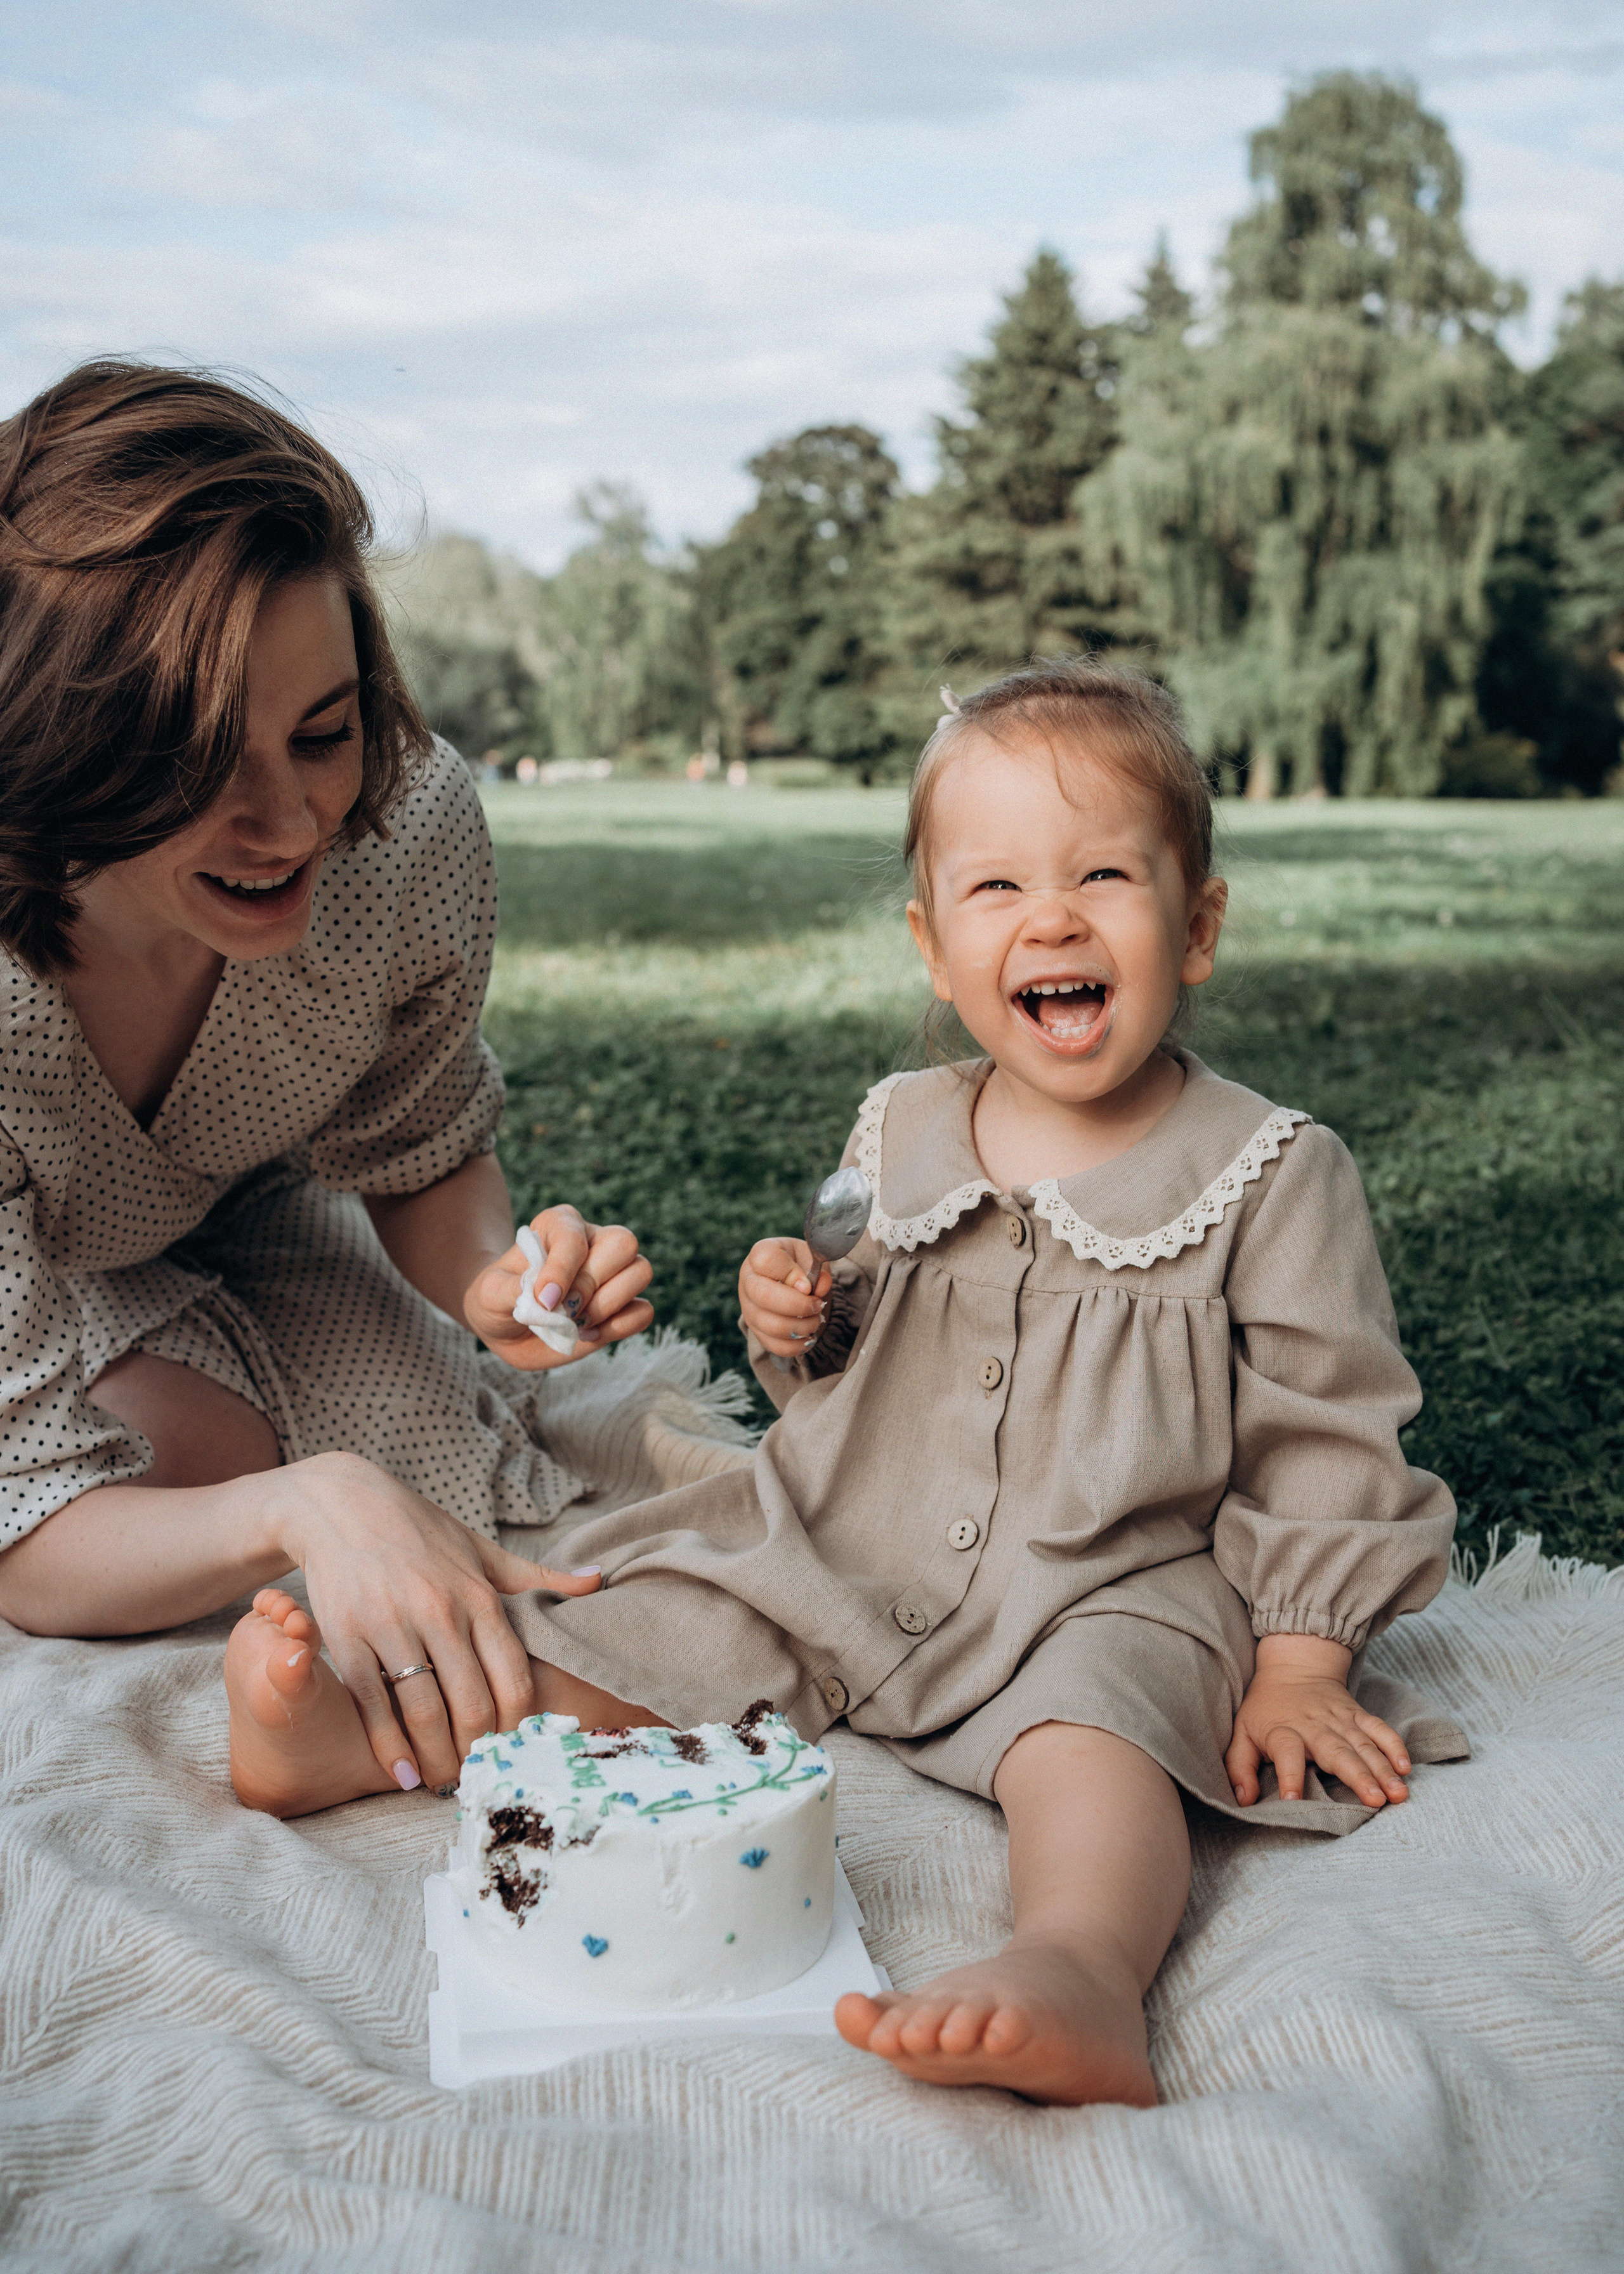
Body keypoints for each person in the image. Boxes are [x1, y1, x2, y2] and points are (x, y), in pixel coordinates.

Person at [225, 659, 1467, 2106]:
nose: (1050, 917)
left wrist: (1304, 1654)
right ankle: (370, 1729)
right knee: (652, 1631)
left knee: (1101, 1731)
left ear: (1194, 927)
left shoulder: (1268, 1170)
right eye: (994, 890)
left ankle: (1074, 1964)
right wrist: (796, 1322)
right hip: (842, 1537)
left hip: (1103, 1572)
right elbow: (844, 1368)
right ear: (934, 949)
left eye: (1103, 876)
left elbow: (1330, 1427)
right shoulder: (900, 1129)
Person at [0, 359, 748, 1806]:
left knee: (433, 1450)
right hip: (38, 1267)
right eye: (202, 761)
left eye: (323, 732)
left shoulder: (404, 841)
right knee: (198, 1471)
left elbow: (416, 1147)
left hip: (235, 1221)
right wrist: (300, 1499)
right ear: (54, 742)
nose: (288, 822)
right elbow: (27, 1536)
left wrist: (487, 1284)